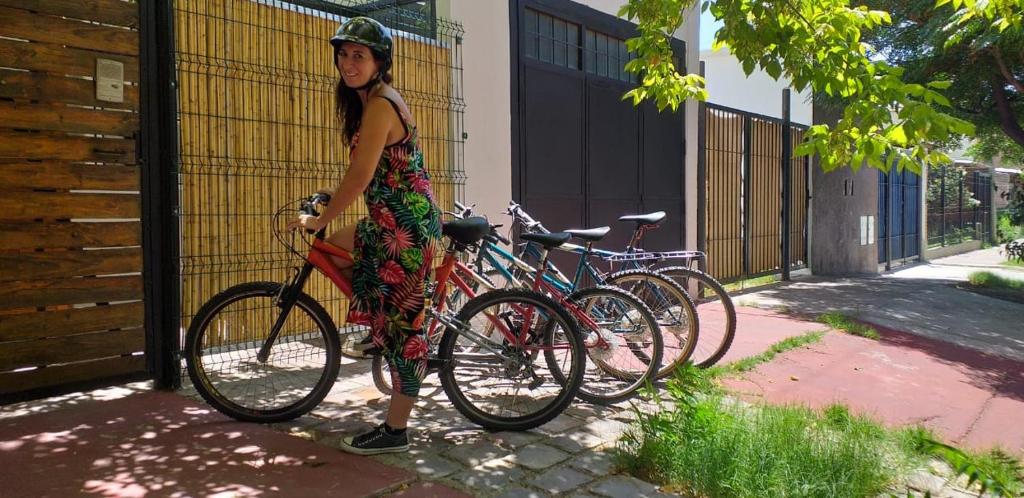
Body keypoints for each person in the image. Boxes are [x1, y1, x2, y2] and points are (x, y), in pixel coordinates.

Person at [288, 16, 442, 455]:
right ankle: (378, 318)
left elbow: (359, 177)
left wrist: (319, 219)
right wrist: (328, 198)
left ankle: (395, 431)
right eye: (343, 54)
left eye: (359, 55)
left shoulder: (380, 105)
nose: (348, 62)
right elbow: (369, 176)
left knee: (404, 329)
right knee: (334, 251)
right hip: (389, 221)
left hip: (404, 229)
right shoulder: (372, 100)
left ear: (379, 62)